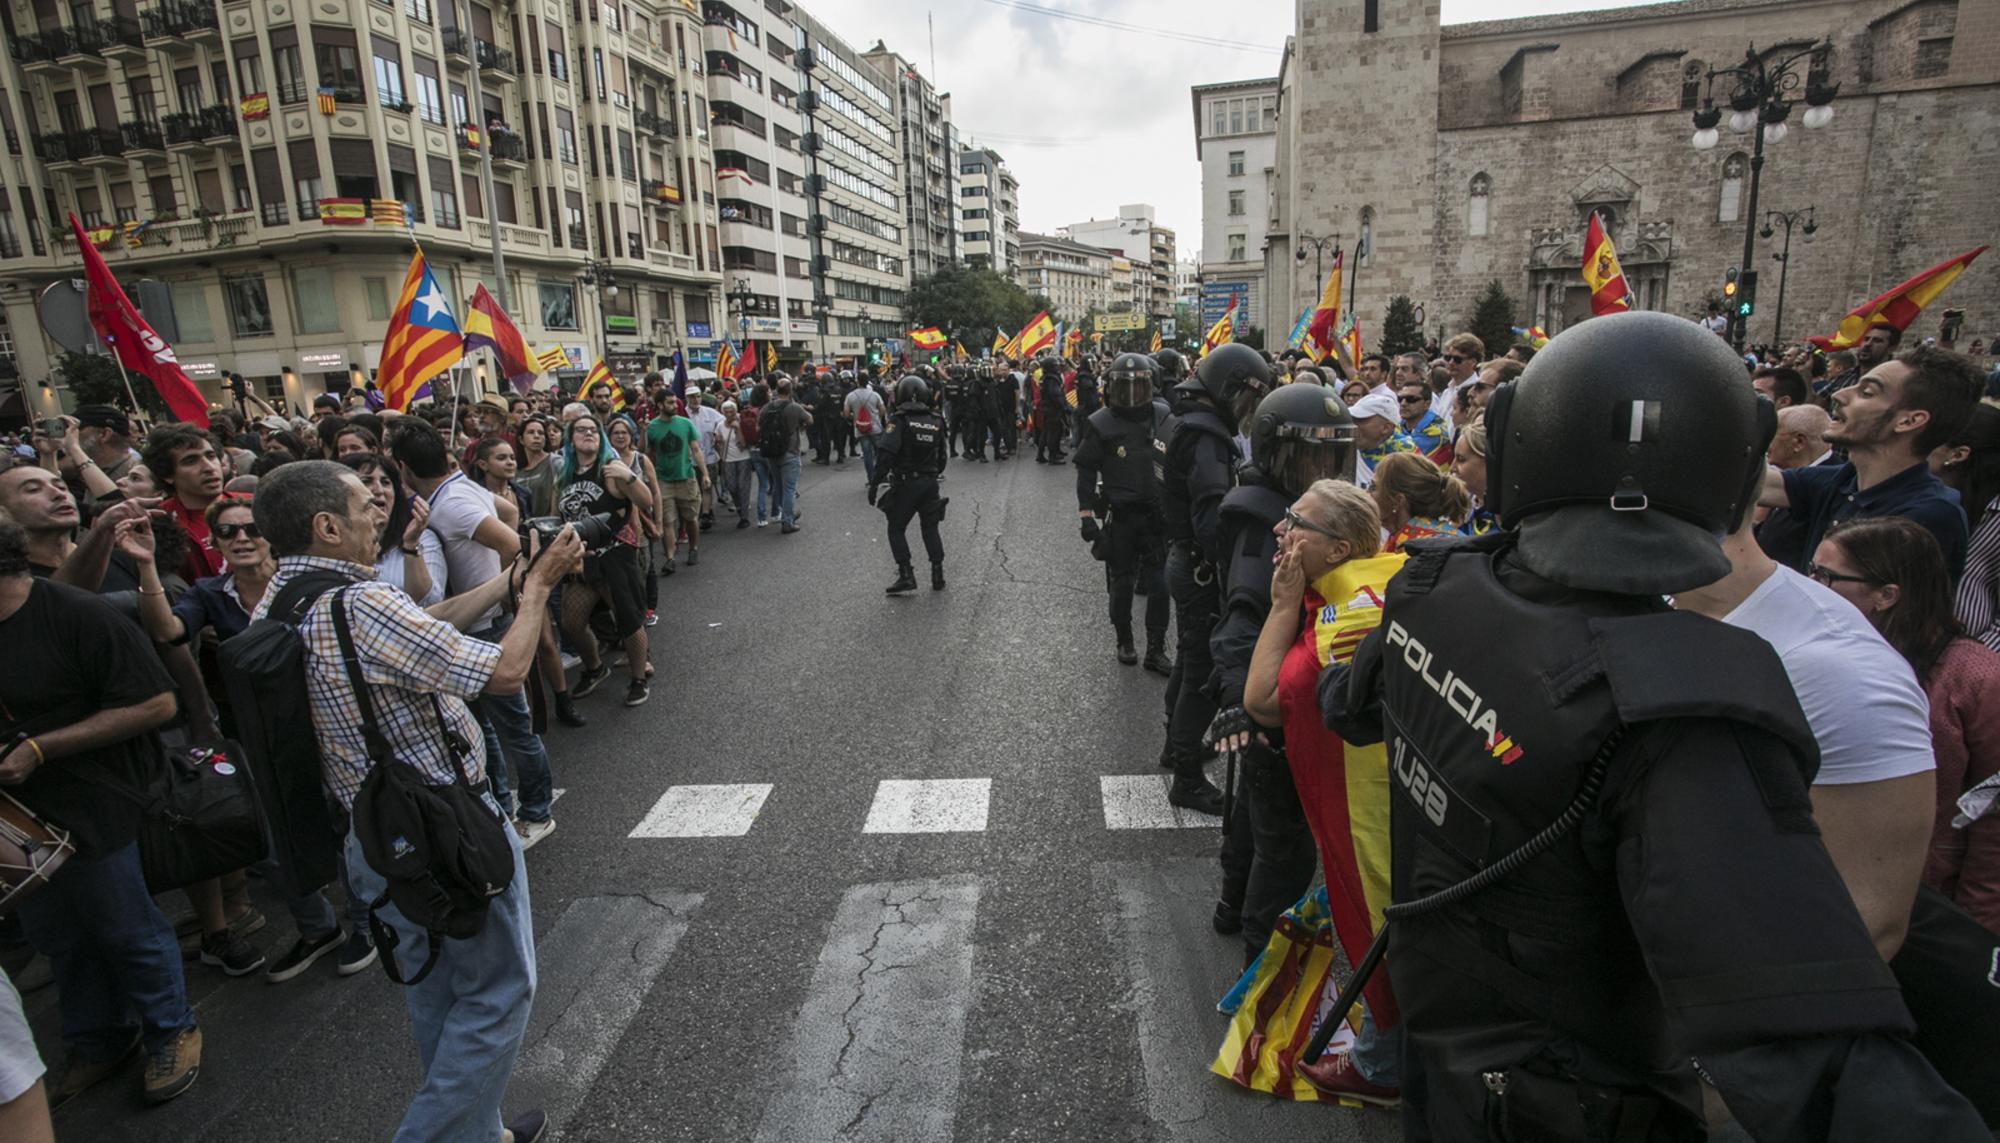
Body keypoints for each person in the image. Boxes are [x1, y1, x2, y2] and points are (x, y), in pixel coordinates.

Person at [1326, 311, 1989, 1141]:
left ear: (1523, 443)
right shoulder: (1687, 697)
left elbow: (1345, 709)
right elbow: (1801, 1037)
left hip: (1445, 1053)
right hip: (1573, 1101)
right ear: (1733, 473)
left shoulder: (1437, 584)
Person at [247, 460, 579, 1143]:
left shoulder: (282, 599)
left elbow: (423, 631)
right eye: (364, 502)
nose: (381, 511)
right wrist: (538, 588)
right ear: (326, 525)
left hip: (371, 837)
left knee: (436, 992)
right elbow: (504, 671)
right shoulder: (361, 605)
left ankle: (477, 1134)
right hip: (444, 830)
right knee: (496, 993)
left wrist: (504, 583)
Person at [0, 516, 202, 1107]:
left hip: (96, 802)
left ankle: (173, 1029)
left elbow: (156, 703)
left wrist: (42, 749)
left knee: (125, 925)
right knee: (58, 936)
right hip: (20, 818)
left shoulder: (73, 614)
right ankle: (98, 1042)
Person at [1217, 478, 1404, 1104]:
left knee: (1378, 912)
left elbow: (1263, 699)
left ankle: (1382, 1065)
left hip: (1375, 818)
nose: (1281, 529)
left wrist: (1280, 605)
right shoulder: (1377, 577)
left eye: (1298, 521)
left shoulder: (1345, 617)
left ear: (1338, 550)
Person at [1206, 383, 1356, 950]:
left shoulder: (1301, 511)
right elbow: (1240, 620)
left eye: (1333, 454)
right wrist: (1240, 704)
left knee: (1252, 817)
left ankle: (1230, 905)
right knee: (1285, 848)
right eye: (1311, 455)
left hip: (1277, 696)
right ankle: (1260, 959)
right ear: (1275, 452)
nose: (1323, 468)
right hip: (1274, 706)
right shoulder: (1263, 520)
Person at [1811, 517, 2000, 935]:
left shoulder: (1978, 678)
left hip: (1932, 904)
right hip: (1832, 886)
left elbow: (1993, 818)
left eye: (1825, 576)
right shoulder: (1820, 656)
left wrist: (1977, 927)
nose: (1809, 586)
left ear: (1886, 595)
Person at [389, 419, 565, 842]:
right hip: (468, 627)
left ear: (403, 469)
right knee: (481, 729)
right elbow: (507, 509)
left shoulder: (450, 503)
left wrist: (511, 594)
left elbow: (511, 542)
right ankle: (500, 811)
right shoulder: (457, 489)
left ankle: (537, 812)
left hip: (486, 627)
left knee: (513, 729)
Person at [1758, 344, 1984, 578]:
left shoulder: (1926, 516)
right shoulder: (1843, 481)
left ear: (1909, 421)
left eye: (1867, 393)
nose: (1839, 394)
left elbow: (1841, 600)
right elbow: (1750, 482)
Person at [1160, 343, 1269, 817]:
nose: (1246, 409)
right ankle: (1186, 777)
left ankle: (1175, 745)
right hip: (1200, 567)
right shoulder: (1207, 436)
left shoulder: (1185, 420)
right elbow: (1212, 517)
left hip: (1182, 560)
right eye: (1245, 397)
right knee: (1202, 671)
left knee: (1188, 659)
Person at [1073, 353, 1174, 670]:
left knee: (1160, 586)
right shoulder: (1101, 423)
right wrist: (1086, 515)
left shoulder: (1163, 416)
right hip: (1122, 516)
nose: (1131, 395)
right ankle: (1125, 639)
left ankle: (1156, 648)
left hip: (1157, 517)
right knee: (1122, 584)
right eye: (1123, 387)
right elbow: (1086, 471)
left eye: (1139, 386)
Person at [555, 414, 652, 707]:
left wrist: (629, 476)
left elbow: (645, 501)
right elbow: (557, 515)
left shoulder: (610, 471)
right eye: (581, 430)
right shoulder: (564, 475)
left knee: (630, 621)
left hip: (614, 558)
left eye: (594, 430)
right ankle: (595, 668)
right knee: (571, 622)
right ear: (571, 440)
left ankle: (638, 679)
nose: (588, 434)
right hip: (581, 562)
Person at [868, 375, 948, 594]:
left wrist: (875, 483)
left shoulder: (899, 420)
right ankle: (937, 574)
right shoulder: (936, 420)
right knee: (930, 528)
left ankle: (906, 575)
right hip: (930, 483)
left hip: (906, 483)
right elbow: (943, 457)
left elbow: (885, 455)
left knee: (896, 528)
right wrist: (931, 473)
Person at [141, 423, 228, 582]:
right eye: (191, 461)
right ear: (167, 474)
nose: (209, 467)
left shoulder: (255, 504)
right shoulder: (158, 522)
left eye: (211, 456)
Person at [645, 396, 708, 570]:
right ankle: (670, 558)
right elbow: (647, 453)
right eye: (670, 402)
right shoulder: (652, 427)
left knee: (691, 518)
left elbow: (696, 449)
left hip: (686, 478)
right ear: (660, 404)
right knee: (667, 521)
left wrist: (705, 474)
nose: (675, 405)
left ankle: (693, 548)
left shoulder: (685, 423)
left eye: (675, 402)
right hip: (663, 481)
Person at [1370, 452, 1472, 553]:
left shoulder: (1425, 549)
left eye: (1373, 487)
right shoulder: (1404, 539)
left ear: (1398, 501)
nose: (1366, 494)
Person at [762, 379, 812, 534]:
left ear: (776, 390)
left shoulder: (767, 407)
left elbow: (759, 426)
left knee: (779, 486)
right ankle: (787, 521)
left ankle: (785, 514)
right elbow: (810, 419)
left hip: (771, 452)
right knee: (789, 488)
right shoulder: (794, 407)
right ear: (790, 391)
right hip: (790, 451)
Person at [1347, 393, 1415, 490]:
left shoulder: (1407, 456)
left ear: (1386, 428)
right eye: (1352, 419)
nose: (1354, 426)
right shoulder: (1346, 448)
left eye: (1361, 420)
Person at [1452, 420, 1499, 536]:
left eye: (1461, 459)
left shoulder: (1504, 520)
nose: (1452, 468)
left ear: (1487, 462)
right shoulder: (1460, 506)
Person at [845, 373, 889, 485]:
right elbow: (883, 409)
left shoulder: (850, 396)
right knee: (879, 453)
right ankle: (882, 476)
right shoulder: (874, 395)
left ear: (857, 382)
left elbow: (846, 413)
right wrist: (876, 418)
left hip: (860, 429)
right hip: (875, 428)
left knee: (867, 455)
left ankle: (871, 479)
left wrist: (855, 417)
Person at [1396, 379, 1452, 466]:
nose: (1403, 403)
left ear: (1427, 404)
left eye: (1411, 399)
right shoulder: (1399, 425)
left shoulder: (1437, 431)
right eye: (1400, 399)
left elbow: (1402, 457)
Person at [1034, 357, 1070, 464]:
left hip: (1048, 409)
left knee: (1048, 432)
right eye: (1055, 366)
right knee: (1052, 433)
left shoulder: (1046, 378)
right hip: (1052, 410)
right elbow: (1056, 395)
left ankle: (1044, 454)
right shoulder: (1051, 379)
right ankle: (1052, 456)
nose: (1057, 367)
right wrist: (1064, 407)